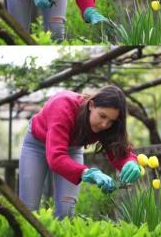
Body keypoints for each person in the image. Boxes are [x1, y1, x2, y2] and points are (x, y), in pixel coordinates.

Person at [18, 86, 141, 218]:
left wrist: (130, 162)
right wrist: (87, 172)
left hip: (71, 148)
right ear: (91, 105)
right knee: (28, 208)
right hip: (36, 145)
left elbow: (118, 149)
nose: (105, 124)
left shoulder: (105, 126)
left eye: (111, 121)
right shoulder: (63, 105)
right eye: (102, 116)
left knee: (66, 211)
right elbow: (56, 157)